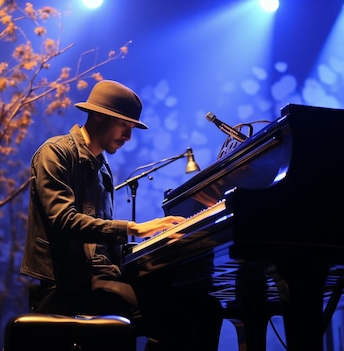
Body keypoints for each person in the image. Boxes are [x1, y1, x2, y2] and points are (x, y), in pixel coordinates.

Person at [20, 79, 224, 350]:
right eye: (124, 126)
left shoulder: (103, 167)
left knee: (207, 307)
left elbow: (102, 243)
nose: (129, 137)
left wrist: (158, 242)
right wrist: (134, 228)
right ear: (99, 116)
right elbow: (62, 220)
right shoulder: (56, 152)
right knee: (171, 316)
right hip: (70, 281)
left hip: (105, 275)